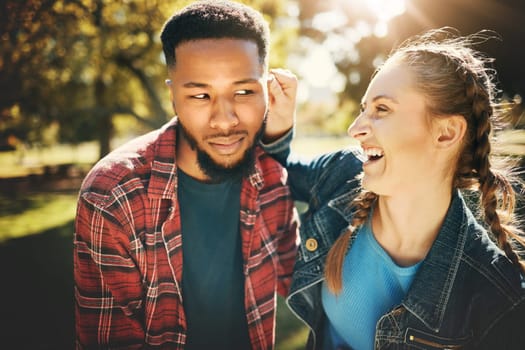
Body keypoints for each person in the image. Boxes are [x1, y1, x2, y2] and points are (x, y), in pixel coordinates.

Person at [264, 28, 525, 349]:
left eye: (382, 109)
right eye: (363, 109)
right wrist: (278, 125)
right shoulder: (343, 173)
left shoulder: (497, 298)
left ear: (446, 133)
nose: (355, 128)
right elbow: (269, 178)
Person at [73, 1, 299, 348]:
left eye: (243, 92)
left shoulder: (271, 175)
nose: (224, 120)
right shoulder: (113, 196)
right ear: (172, 96)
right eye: (199, 94)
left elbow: (306, 281)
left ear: (267, 91)